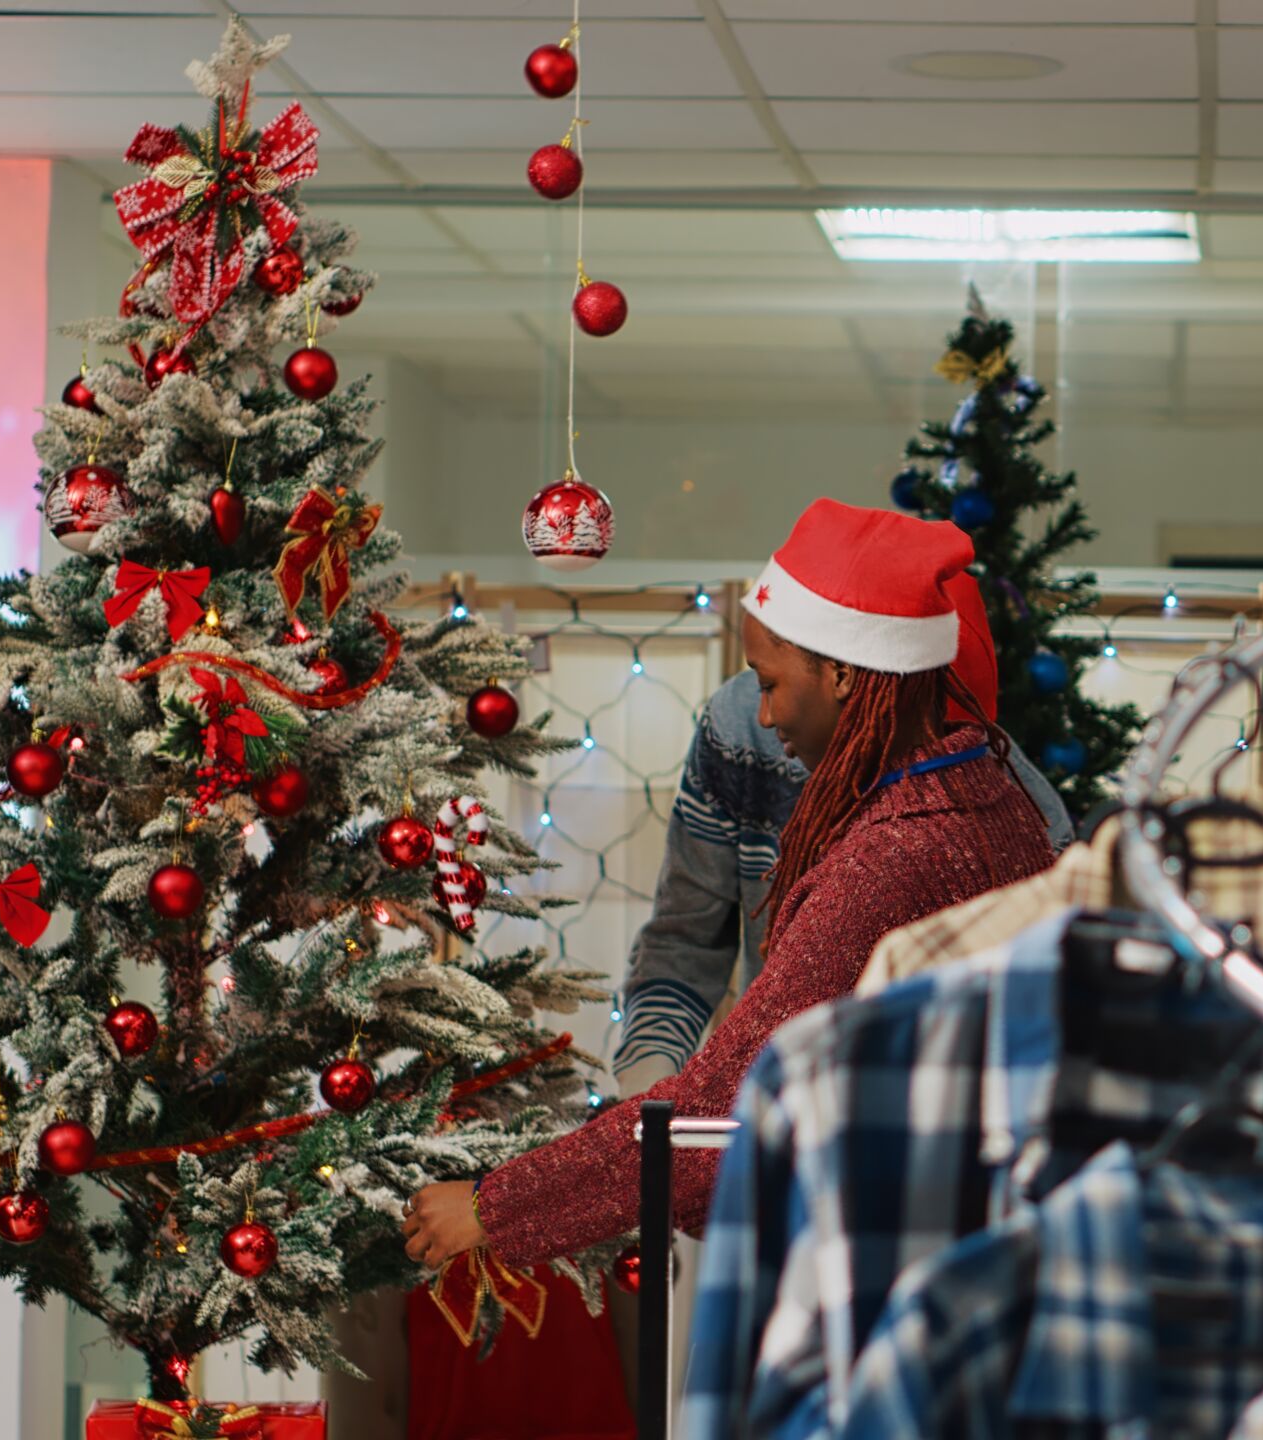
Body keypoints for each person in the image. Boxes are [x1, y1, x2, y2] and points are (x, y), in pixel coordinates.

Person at [402, 499, 1060, 1267]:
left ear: (846, 672)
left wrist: (493, 1205)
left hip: (887, 1268)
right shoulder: (989, 792)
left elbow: (717, 1118)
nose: (767, 714)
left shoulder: (889, 860)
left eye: (772, 683)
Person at [609, 581, 1073, 1098]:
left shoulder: (1014, 812)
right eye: (763, 683)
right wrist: (646, 1088)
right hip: (751, 1109)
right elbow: (685, 938)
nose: (767, 714)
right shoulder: (742, 728)